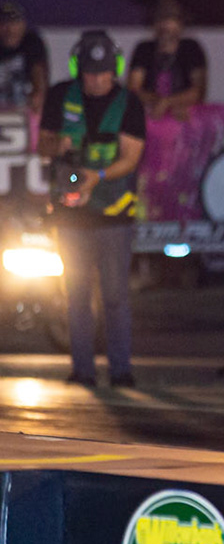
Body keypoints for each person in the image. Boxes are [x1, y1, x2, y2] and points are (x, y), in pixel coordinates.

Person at [37, 31, 145, 388]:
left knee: (115, 296)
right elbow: (42, 145)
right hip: (70, 216)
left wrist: (95, 177)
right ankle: (82, 370)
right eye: (89, 72)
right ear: (77, 68)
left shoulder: (129, 103)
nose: (96, 80)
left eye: (103, 73)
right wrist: (58, 145)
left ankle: (120, 370)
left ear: (115, 69)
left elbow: (131, 157)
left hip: (114, 215)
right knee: (76, 295)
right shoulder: (59, 95)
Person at [128, 0, 209, 119]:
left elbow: (198, 91)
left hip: (183, 114)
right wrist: (157, 101)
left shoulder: (191, 48)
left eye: (170, 20)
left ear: (180, 24)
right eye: (160, 20)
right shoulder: (143, 49)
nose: (164, 25)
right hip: (151, 113)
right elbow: (134, 89)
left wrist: (168, 102)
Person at [0, 1, 49, 115]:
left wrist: (38, 94)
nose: (10, 29)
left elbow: (39, 75)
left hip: (22, 109)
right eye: (4, 23)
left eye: (14, 23)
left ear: (23, 24)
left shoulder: (32, 42)